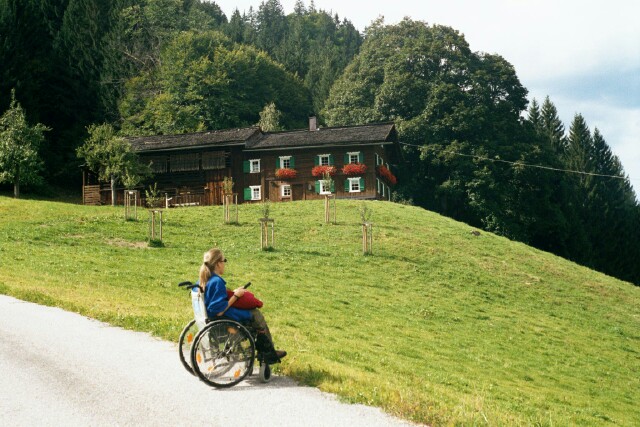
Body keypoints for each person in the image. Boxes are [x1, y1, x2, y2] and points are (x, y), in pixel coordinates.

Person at [198, 247, 286, 363]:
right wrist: (236, 296)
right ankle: (268, 352)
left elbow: (215, 300)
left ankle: (264, 349)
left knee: (252, 313)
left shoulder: (205, 280)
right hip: (221, 319)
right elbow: (219, 310)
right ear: (218, 264)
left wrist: (233, 292)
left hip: (210, 319)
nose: (225, 264)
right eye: (224, 261)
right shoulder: (217, 282)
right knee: (256, 314)